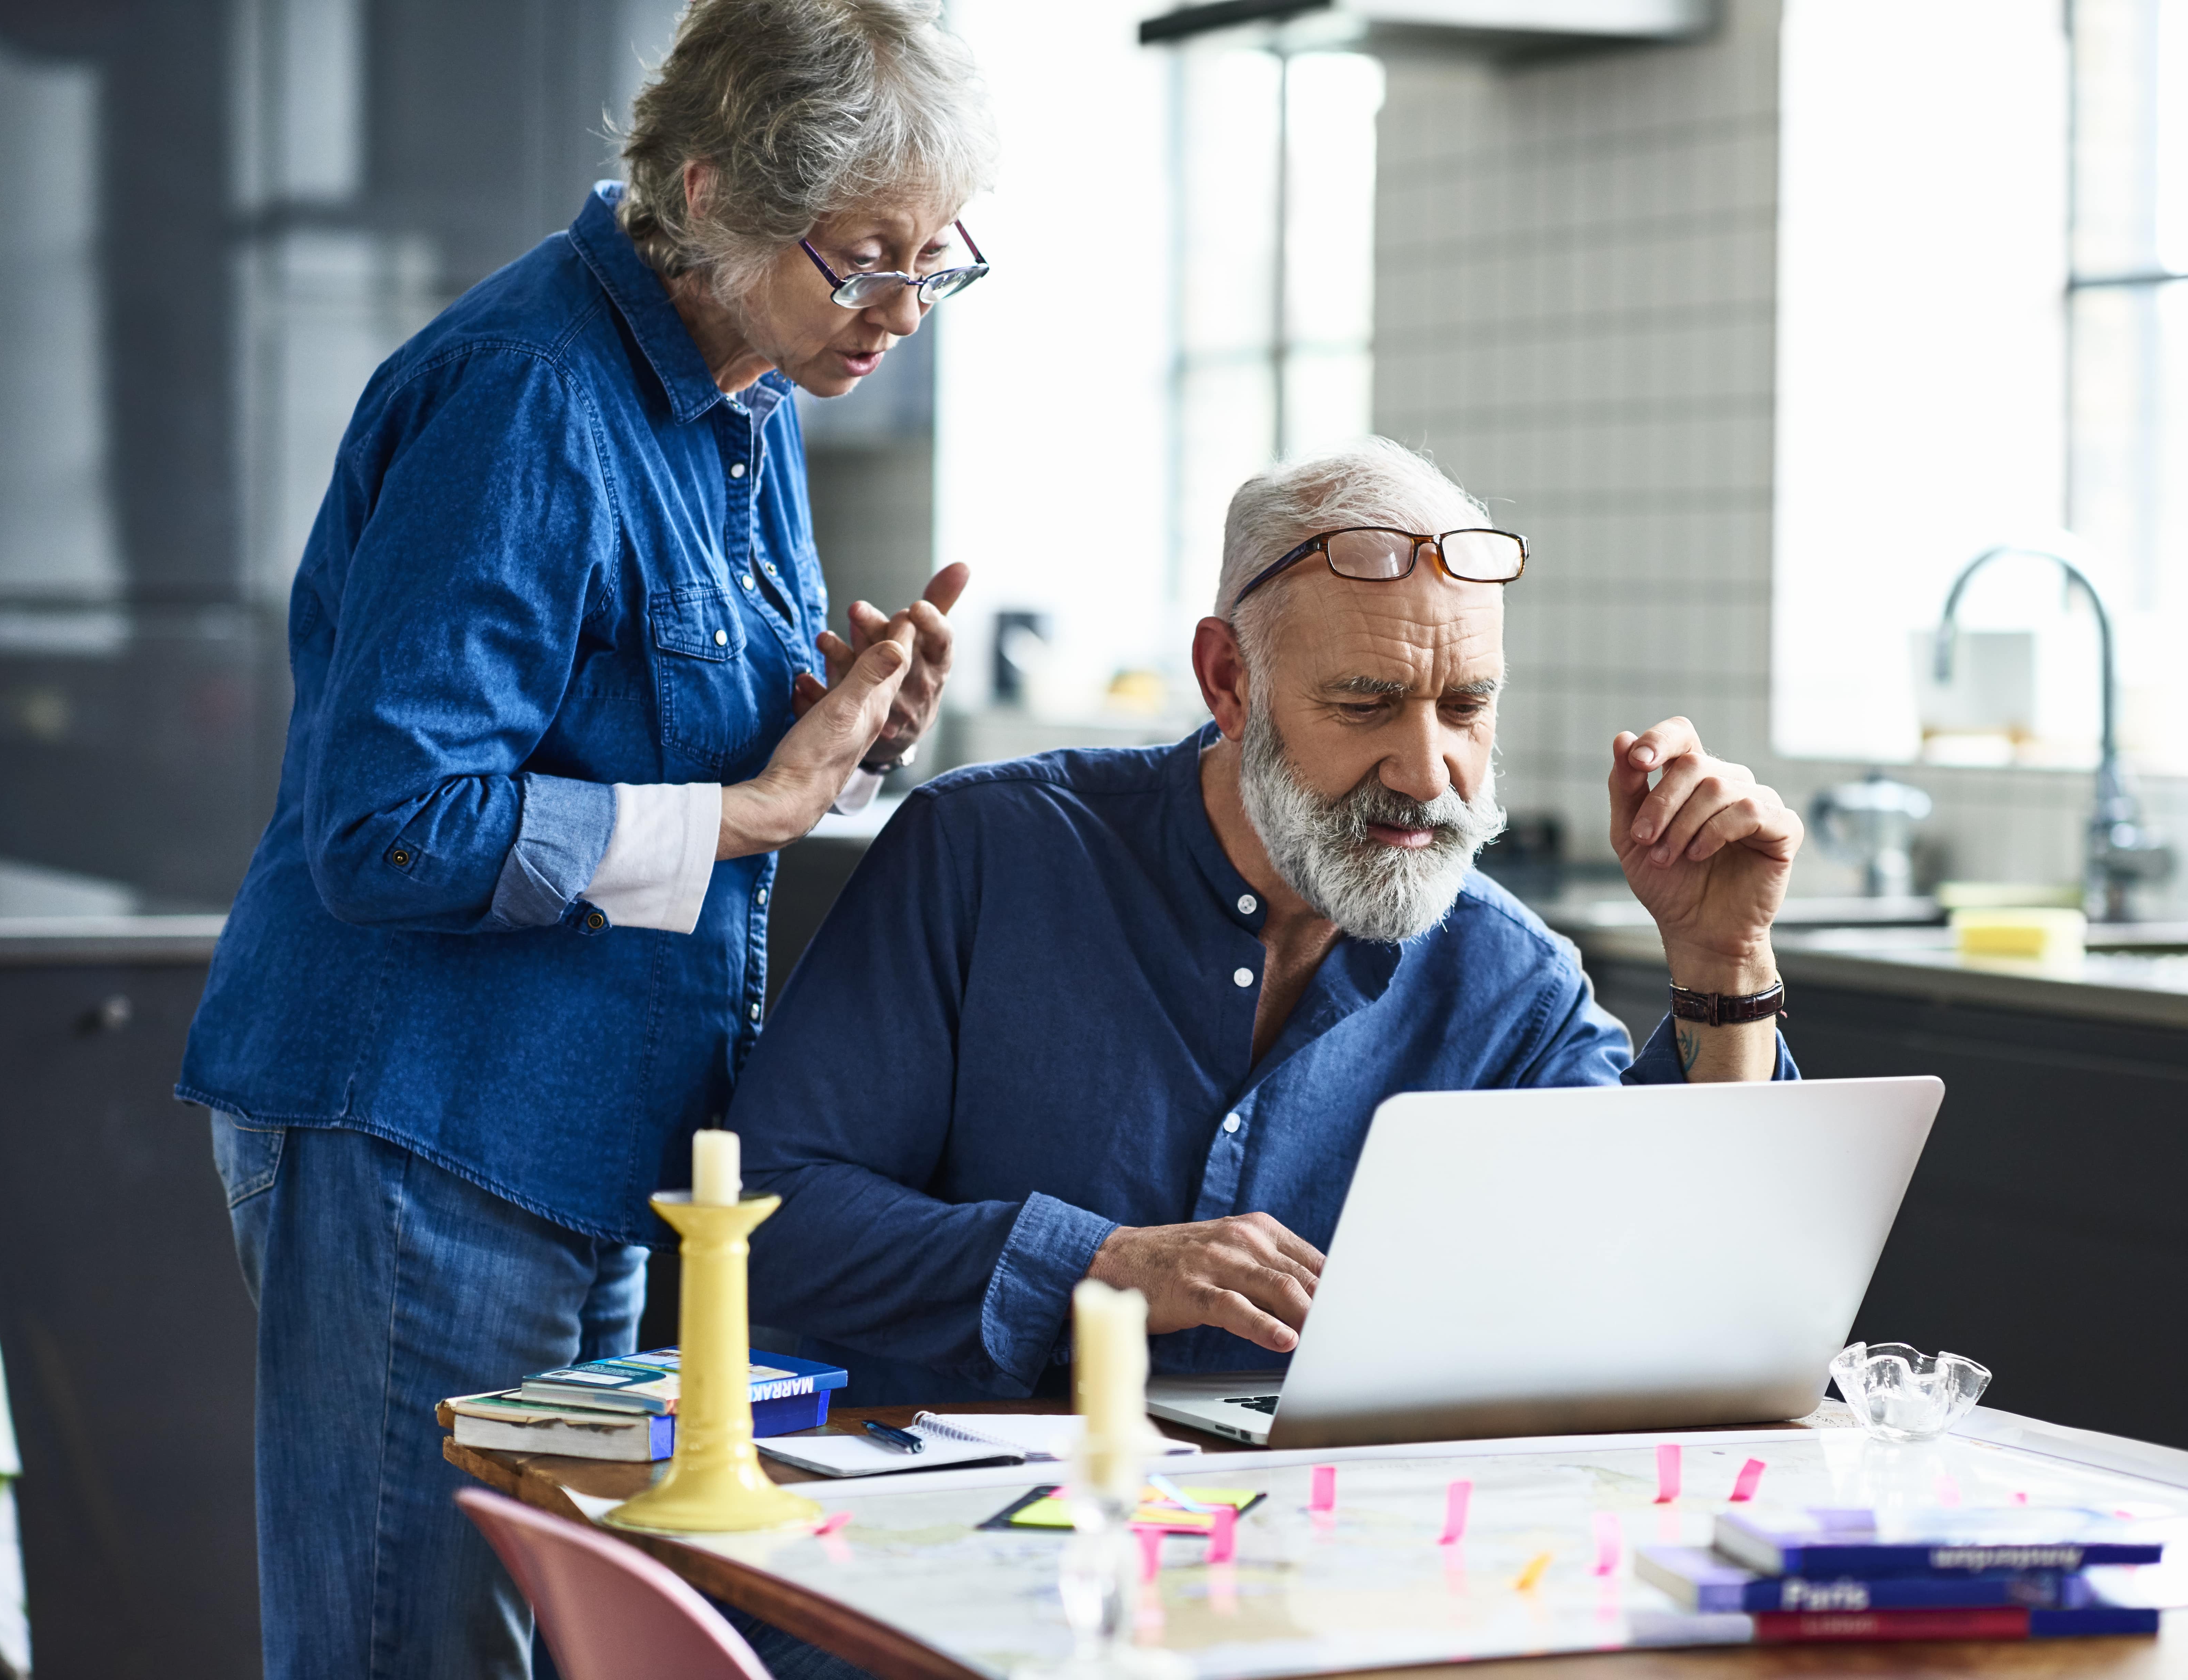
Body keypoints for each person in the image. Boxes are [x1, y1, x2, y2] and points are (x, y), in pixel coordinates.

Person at [173, 3, 995, 1675]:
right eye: (863, 261)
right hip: (427, 1124)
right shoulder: (527, 396)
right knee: (411, 1656)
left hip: (589, 1139)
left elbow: (653, 731)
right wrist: (753, 807)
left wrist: (840, 728)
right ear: (708, 194)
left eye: (938, 260)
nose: (904, 312)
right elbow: (392, 828)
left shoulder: (744, 386)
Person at [731, 437, 1803, 1405]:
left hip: (1324, 1564)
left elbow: (1663, 1283)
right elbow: (761, 1218)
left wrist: (1724, 961)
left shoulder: (1511, 981)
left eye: (1468, 706)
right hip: (935, 1544)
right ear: (1228, 680)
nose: (1427, 770)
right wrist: (1102, 1267)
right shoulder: (986, 855)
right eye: (1365, 703)